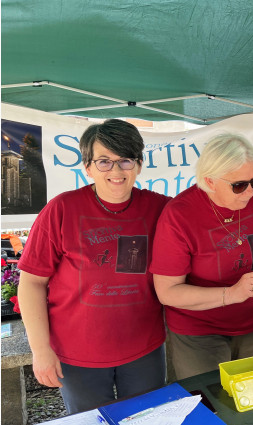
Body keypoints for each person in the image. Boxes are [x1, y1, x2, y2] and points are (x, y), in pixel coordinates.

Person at [17, 119, 170, 414]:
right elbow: (32, 282)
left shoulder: (162, 209)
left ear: (138, 164)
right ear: (87, 167)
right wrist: (40, 350)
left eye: (125, 160)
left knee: (147, 418)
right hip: (76, 356)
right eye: (104, 161)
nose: (115, 171)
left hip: (144, 349)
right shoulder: (61, 210)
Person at [150, 133, 253, 380]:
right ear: (210, 181)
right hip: (200, 332)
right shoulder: (180, 214)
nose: (250, 192)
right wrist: (230, 294)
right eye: (239, 185)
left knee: (252, 401)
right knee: (209, 405)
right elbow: (167, 291)